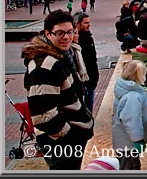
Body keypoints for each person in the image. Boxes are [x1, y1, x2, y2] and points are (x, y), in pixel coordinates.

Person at [22, 9, 94, 170]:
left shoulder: (61, 56)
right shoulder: (44, 66)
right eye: (60, 33)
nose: (67, 37)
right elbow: (43, 116)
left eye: (70, 32)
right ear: (48, 34)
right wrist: (71, 136)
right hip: (60, 144)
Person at [112, 60, 147, 170]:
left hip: (126, 140)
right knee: (129, 166)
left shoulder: (127, 89)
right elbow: (131, 120)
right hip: (128, 142)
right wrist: (138, 139)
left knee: (131, 163)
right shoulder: (133, 97)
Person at [73, 12, 99, 112]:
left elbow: (93, 58)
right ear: (77, 24)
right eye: (85, 23)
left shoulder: (89, 38)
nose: (89, 25)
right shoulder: (75, 42)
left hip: (91, 77)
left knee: (89, 104)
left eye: (89, 22)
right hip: (81, 80)